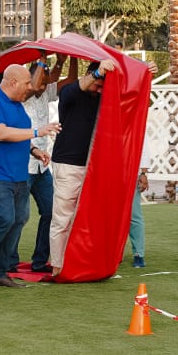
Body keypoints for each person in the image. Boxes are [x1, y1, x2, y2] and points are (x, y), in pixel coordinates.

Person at [0, 64, 60, 287]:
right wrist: (39, 131)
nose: (30, 87)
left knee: (18, 219)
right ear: (12, 83)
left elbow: (18, 132)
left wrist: (34, 150)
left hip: (18, 172)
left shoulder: (18, 104)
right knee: (4, 217)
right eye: (27, 83)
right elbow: (1, 133)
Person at [47, 56, 117, 274]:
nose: (98, 89)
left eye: (102, 87)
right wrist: (98, 74)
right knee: (62, 219)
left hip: (93, 166)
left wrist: (145, 72)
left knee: (87, 218)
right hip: (68, 165)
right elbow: (83, 84)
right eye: (96, 84)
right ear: (90, 75)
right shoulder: (70, 93)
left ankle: (78, 262)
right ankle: (58, 266)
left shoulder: (102, 98)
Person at [21, 59, 59, 273]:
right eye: (41, 81)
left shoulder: (45, 92)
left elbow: (69, 81)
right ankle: (6, 261)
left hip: (42, 166)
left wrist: (64, 60)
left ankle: (39, 261)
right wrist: (41, 63)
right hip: (24, 165)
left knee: (50, 212)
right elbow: (34, 85)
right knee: (18, 216)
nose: (44, 86)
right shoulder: (23, 95)